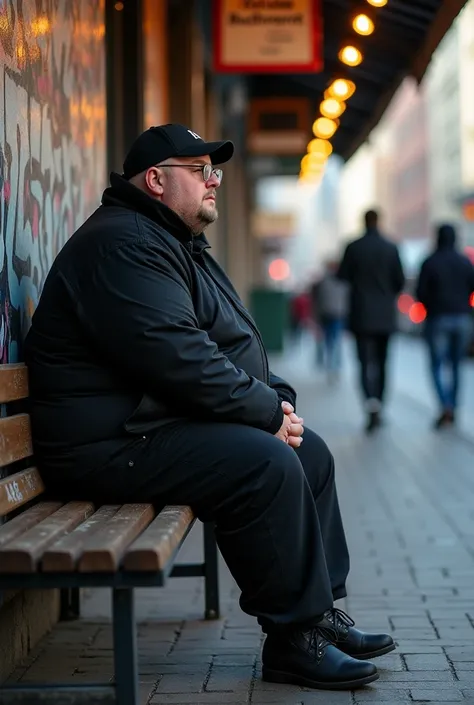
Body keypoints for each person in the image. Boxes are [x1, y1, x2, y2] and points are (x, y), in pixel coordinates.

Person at [24, 124, 395, 691]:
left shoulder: (172, 242)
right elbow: (179, 358)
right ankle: (293, 640)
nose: (213, 181)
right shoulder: (124, 244)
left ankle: (318, 614)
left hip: (146, 424)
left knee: (309, 451)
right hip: (106, 445)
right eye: (198, 170)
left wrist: (280, 401)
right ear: (155, 180)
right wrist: (267, 413)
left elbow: (225, 342)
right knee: (263, 461)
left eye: (214, 170)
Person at [338, 209, 405, 432]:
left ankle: (370, 405)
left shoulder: (353, 247)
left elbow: (342, 276)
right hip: (385, 316)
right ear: (379, 221)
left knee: (364, 363)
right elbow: (400, 281)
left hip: (361, 315)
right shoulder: (391, 247)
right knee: (384, 362)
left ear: (363, 221)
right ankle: (380, 404)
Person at [416, 224, 474, 429]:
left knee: (437, 364)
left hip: (438, 318)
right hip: (462, 318)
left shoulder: (430, 262)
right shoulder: (464, 261)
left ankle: (445, 405)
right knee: (457, 365)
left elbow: (420, 292)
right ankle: (454, 405)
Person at [310, 260, 348, 382]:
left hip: (331, 315)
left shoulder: (324, 282)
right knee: (333, 342)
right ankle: (333, 366)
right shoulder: (342, 282)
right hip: (333, 315)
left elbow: (318, 301)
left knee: (331, 342)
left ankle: (332, 366)